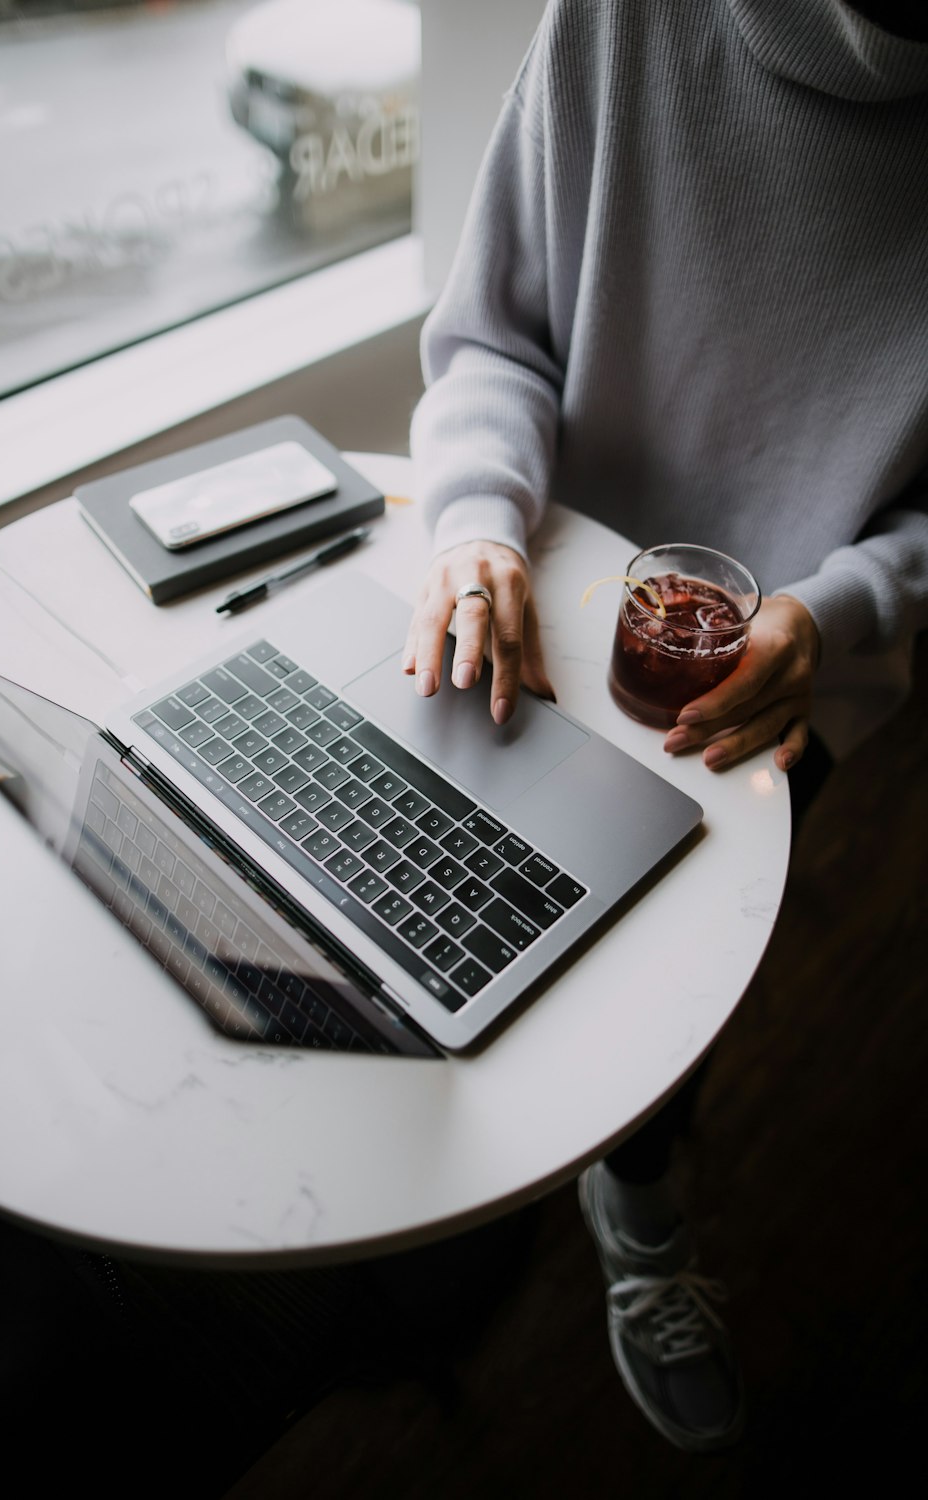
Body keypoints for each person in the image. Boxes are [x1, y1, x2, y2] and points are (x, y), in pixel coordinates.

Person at [404, 0, 928, 1454]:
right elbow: (491, 335)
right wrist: (471, 526)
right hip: (542, 611)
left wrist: (849, 604)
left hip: (786, 683)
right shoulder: (621, 23)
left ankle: (635, 1202)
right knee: (454, 924)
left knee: (670, 1005)